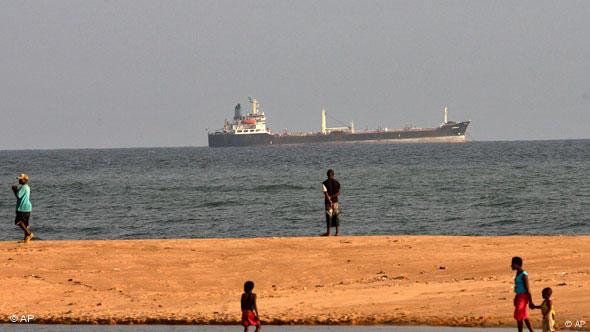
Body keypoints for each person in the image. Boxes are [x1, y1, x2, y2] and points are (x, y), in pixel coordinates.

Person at [511, 256, 535, 332]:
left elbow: (528, 289)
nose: (511, 265)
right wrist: (516, 297)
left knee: (519, 316)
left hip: (523, 297)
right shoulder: (518, 273)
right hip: (519, 296)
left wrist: (530, 301)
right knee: (524, 315)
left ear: (517, 264)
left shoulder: (524, 274)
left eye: (513, 264)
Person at [12, 173, 33, 243]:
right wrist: (17, 190)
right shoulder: (27, 187)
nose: (19, 180)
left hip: (22, 208)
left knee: (18, 222)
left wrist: (14, 189)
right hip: (28, 208)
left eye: (20, 179)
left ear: (24, 180)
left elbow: (18, 196)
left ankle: (29, 234)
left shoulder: (23, 187)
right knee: (25, 224)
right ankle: (26, 240)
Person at [321, 169, 341, 236]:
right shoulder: (337, 183)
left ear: (327, 175)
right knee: (336, 216)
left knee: (328, 217)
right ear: (333, 175)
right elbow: (338, 193)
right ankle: (337, 232)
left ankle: (328, 233)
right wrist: (332, 197)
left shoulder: (324, 183)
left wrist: (329, 199)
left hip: (328, 203)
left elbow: (325, 192)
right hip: (335, 202)